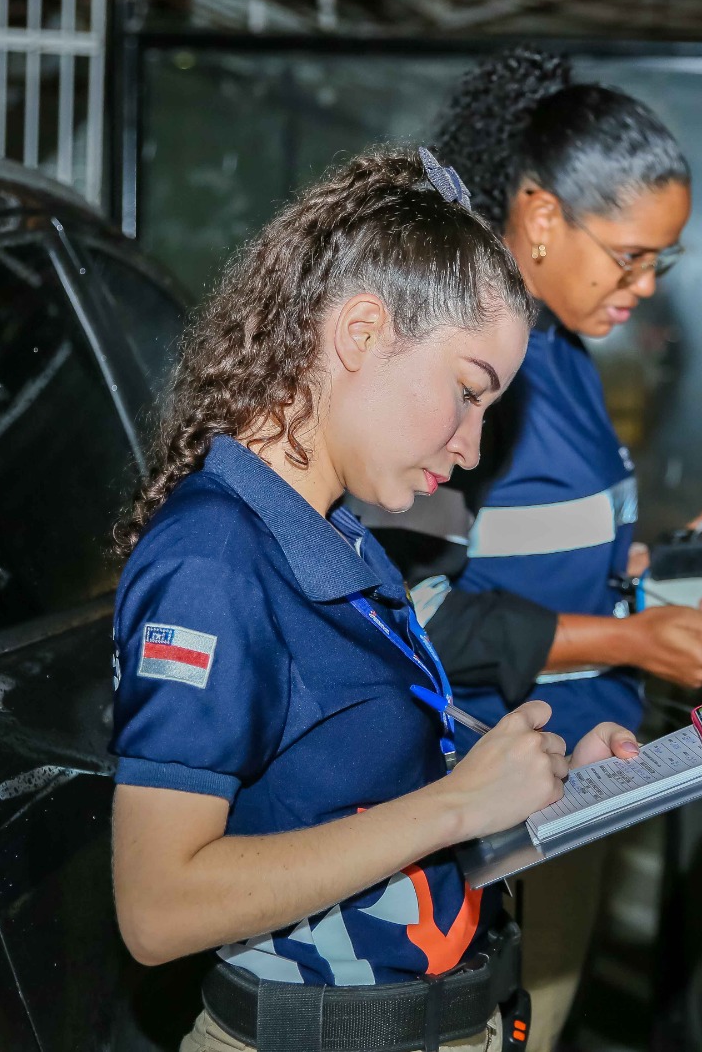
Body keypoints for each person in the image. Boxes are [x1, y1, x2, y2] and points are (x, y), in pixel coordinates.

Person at [107, 148, 640, 1052]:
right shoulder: (215, 561)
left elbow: (352, 807)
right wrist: (457, 806)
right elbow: (158, 909)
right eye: (467, 392)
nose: (472, 447)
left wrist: (544, 791)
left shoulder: (339, 536)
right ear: (359, 333)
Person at [354, 48, 702, 1052]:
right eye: (630, 255)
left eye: (663, 262)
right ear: (540, 217)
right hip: (489, 809)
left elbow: (527, 541)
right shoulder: (468, 369)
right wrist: (631, 642)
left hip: (573, 781)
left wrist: (641, 569)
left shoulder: (563, 352)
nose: (645, 286)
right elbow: (411, 616)